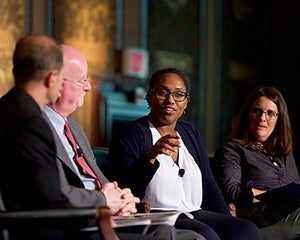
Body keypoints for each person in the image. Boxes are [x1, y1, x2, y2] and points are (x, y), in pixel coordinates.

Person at [43, 44, 205, 240]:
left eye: (179, 95)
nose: (88, 86)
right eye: (82, 80)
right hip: (83, 222)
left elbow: (99, 178)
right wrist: (105, 200)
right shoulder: (36, 128)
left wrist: (122, 198)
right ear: (56, 81)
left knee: (193, 237)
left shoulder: (74, 128)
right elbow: (53, 193)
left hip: (111, 214)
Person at [107, 67, 263, 240]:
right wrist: (150, 157)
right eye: (162, 93)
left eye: (178, 95)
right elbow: (124, 190)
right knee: (207, 235)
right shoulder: (131, 133)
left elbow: (208, 183)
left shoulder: (190, 132)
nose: (170, 101)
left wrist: (226, 216)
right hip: (157, 215)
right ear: (149, 96)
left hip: (194, 212)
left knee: (246, 230)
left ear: (186, 102)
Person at [0, 34, 71, 239]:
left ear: (15, 71)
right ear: (52, 78)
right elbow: (50, 203)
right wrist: (99, 211)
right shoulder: (32, 124)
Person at [212, 86, 300, 240]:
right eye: (257, 111)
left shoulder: (285, 153)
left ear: (280, 119)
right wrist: (272, 195)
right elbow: (232, 191)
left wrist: (259, 193)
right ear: (247, 114)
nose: (262, 118)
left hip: (288, 216)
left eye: (270, 113)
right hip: (258, 223)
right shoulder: (232, 150)